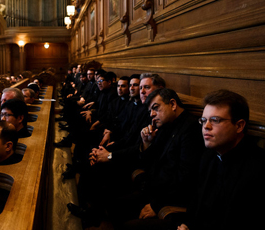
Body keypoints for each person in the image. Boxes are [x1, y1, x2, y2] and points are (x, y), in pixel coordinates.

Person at [91, 88, 204, 229]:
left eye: (155, 108)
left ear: (173, 104)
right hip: (152, 186)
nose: (152, 115)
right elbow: (147, 161)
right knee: (111, 198)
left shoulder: (191, 129)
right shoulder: (165, 124)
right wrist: (146, 143)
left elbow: (185, 179)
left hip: (167, 196)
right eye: (150, 110)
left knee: (121, 213)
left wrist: (156, 205)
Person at [177, 90, 265, 230]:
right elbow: (197, 201)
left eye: (215, 120)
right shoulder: (209, 155)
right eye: (204, 120)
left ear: (239, 126)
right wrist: (187, 224)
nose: (206, 126)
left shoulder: (258, 167)